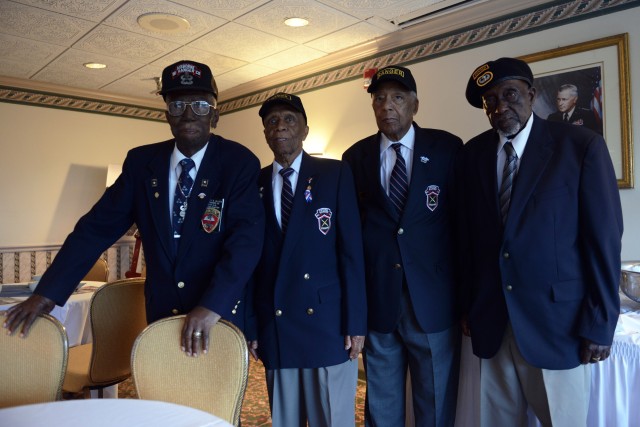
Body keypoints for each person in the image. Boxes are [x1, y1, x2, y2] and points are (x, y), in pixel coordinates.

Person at [3, 60, 265, 357]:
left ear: (215, 114)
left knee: (216, 401)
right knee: (162, 398)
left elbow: (246, 244)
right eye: (178, 104)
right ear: (167, 114)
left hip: (217, 316)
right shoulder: (142, 164)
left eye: (200, 105)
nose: (189, 114)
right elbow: (94, 229)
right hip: (162, 314)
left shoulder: (239, 163)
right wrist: (47, 294)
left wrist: (211, 305)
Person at [460, 57, 623, 426]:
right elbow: (469, 238)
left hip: (558, 326)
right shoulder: (472, 154)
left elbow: (603, 242)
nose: (501, 106)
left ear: (532, 95)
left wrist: (600, 323)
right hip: (494, 324)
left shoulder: (580, 147)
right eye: (490, 101)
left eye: (510, 94)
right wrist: (468, 304)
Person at [342, 65, 462, 427]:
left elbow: (463, 226)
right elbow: (350, 239)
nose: (387, 105)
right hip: (380, 304)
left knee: (436, 405)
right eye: (379, 99)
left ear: (415, 105)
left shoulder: (447, 148)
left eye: (397, 97)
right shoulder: (355, 157)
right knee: (381, 406)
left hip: (434, 302)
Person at [244, 92, 367, 426]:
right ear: (266, 133)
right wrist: (251, 326)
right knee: (287, 419)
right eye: (272, 122)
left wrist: (356, 323)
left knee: (333, 418)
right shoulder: (252, 183)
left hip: (327, 324)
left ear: (305, 129)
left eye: (289, 119)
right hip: (276, 323)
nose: (280, 127)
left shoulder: (334, 173)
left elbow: (352, 254)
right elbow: (247, 263)